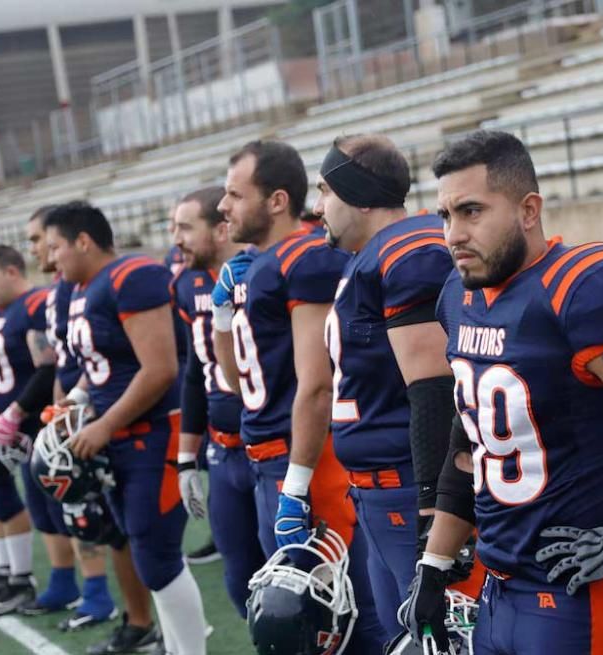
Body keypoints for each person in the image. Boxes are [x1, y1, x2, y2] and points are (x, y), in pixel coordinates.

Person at [401, 130, 603, 655]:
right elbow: (472, 445)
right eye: (445, 216)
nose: (454, 234)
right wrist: (435, 564)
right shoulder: (458, 299)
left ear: (529, 210)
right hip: (498, 588)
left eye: (472, 211)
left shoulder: (582, 287)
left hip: (584, 594)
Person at [211, 140, 383, 652]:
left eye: (235, 194)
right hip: (267, 458)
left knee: (346, 614)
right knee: (294, 618)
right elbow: (239, 381)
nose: (224, 207)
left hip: (304, 459)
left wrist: (298, 481)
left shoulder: (305, 258)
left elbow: (318, 383)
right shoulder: (257, 265)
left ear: (277, 200)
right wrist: (224, 311)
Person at [313, 134, 482, 636]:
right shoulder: (372, 255)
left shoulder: (410, 249)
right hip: (375, 490)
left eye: (324, 190)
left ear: (359, 196)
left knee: (438, 638)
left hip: (408, 488)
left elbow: (435, 389)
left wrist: (433, 508)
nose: (317, 205)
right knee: (400, 637)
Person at [44, 201, 207, 655]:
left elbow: (159, 369)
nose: (53, 259)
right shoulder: (84, 289)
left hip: (153, 433)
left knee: (156, 555)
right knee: (148, 552)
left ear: (83, 240)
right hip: (122, 437)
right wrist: (76, 403)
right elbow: (99, 368)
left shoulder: (131, 276)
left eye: (57, 247)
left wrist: (105, 422)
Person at [22, 207, 119, 629]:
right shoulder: (61, 289)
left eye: (40, 239)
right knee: (72, 507)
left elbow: (87, 359)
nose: (37, 249)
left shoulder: (78, 288)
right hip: (72, 407)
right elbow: (64, 358)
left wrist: (73, 403)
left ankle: (107, 599)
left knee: (95, 512)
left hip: (98, 412)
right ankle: (90, 594)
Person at [171, 186, 265, 616]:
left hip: (272, 448)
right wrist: (187, 458)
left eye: (186, 227)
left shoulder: (263, 272)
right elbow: (194, 370)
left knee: (298, 582)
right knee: (240, 579)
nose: (176, 238)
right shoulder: (187, 283)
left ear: (222, 229)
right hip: (223, 451)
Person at [0, 245, 52, 616]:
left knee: (52, 511)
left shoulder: (34, 304)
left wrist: (15, 410)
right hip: (7, 414)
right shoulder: (2, 309)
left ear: (12, 272)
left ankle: (22, 578)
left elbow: (46, 367)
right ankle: (7, 571)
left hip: (32, 420)